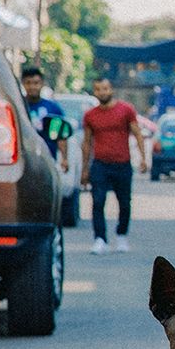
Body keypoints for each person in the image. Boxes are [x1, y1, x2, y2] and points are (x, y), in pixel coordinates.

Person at [81, 77, 151, 254]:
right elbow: (87, 142)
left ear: (111, 89)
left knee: (124, 202)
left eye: (105, 88)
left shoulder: (126, 110)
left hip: (122, 163)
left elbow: (137, 134)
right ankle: (100, 239)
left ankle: (121, 235)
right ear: (94, 92)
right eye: (98, 89)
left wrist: (143, 158)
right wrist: (84, 169)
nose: (102, 92)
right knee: (97, 201)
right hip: (100, 164)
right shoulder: (90, 115)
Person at [19, 65, 71, 176]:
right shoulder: (18, 107)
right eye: (28, 83)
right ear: (23, 83)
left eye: (36, 83)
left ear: (42, 83)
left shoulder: (53, 108)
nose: (32, 87)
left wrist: (64, 158)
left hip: (48, 159)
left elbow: (61, 136)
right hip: (23, 159)